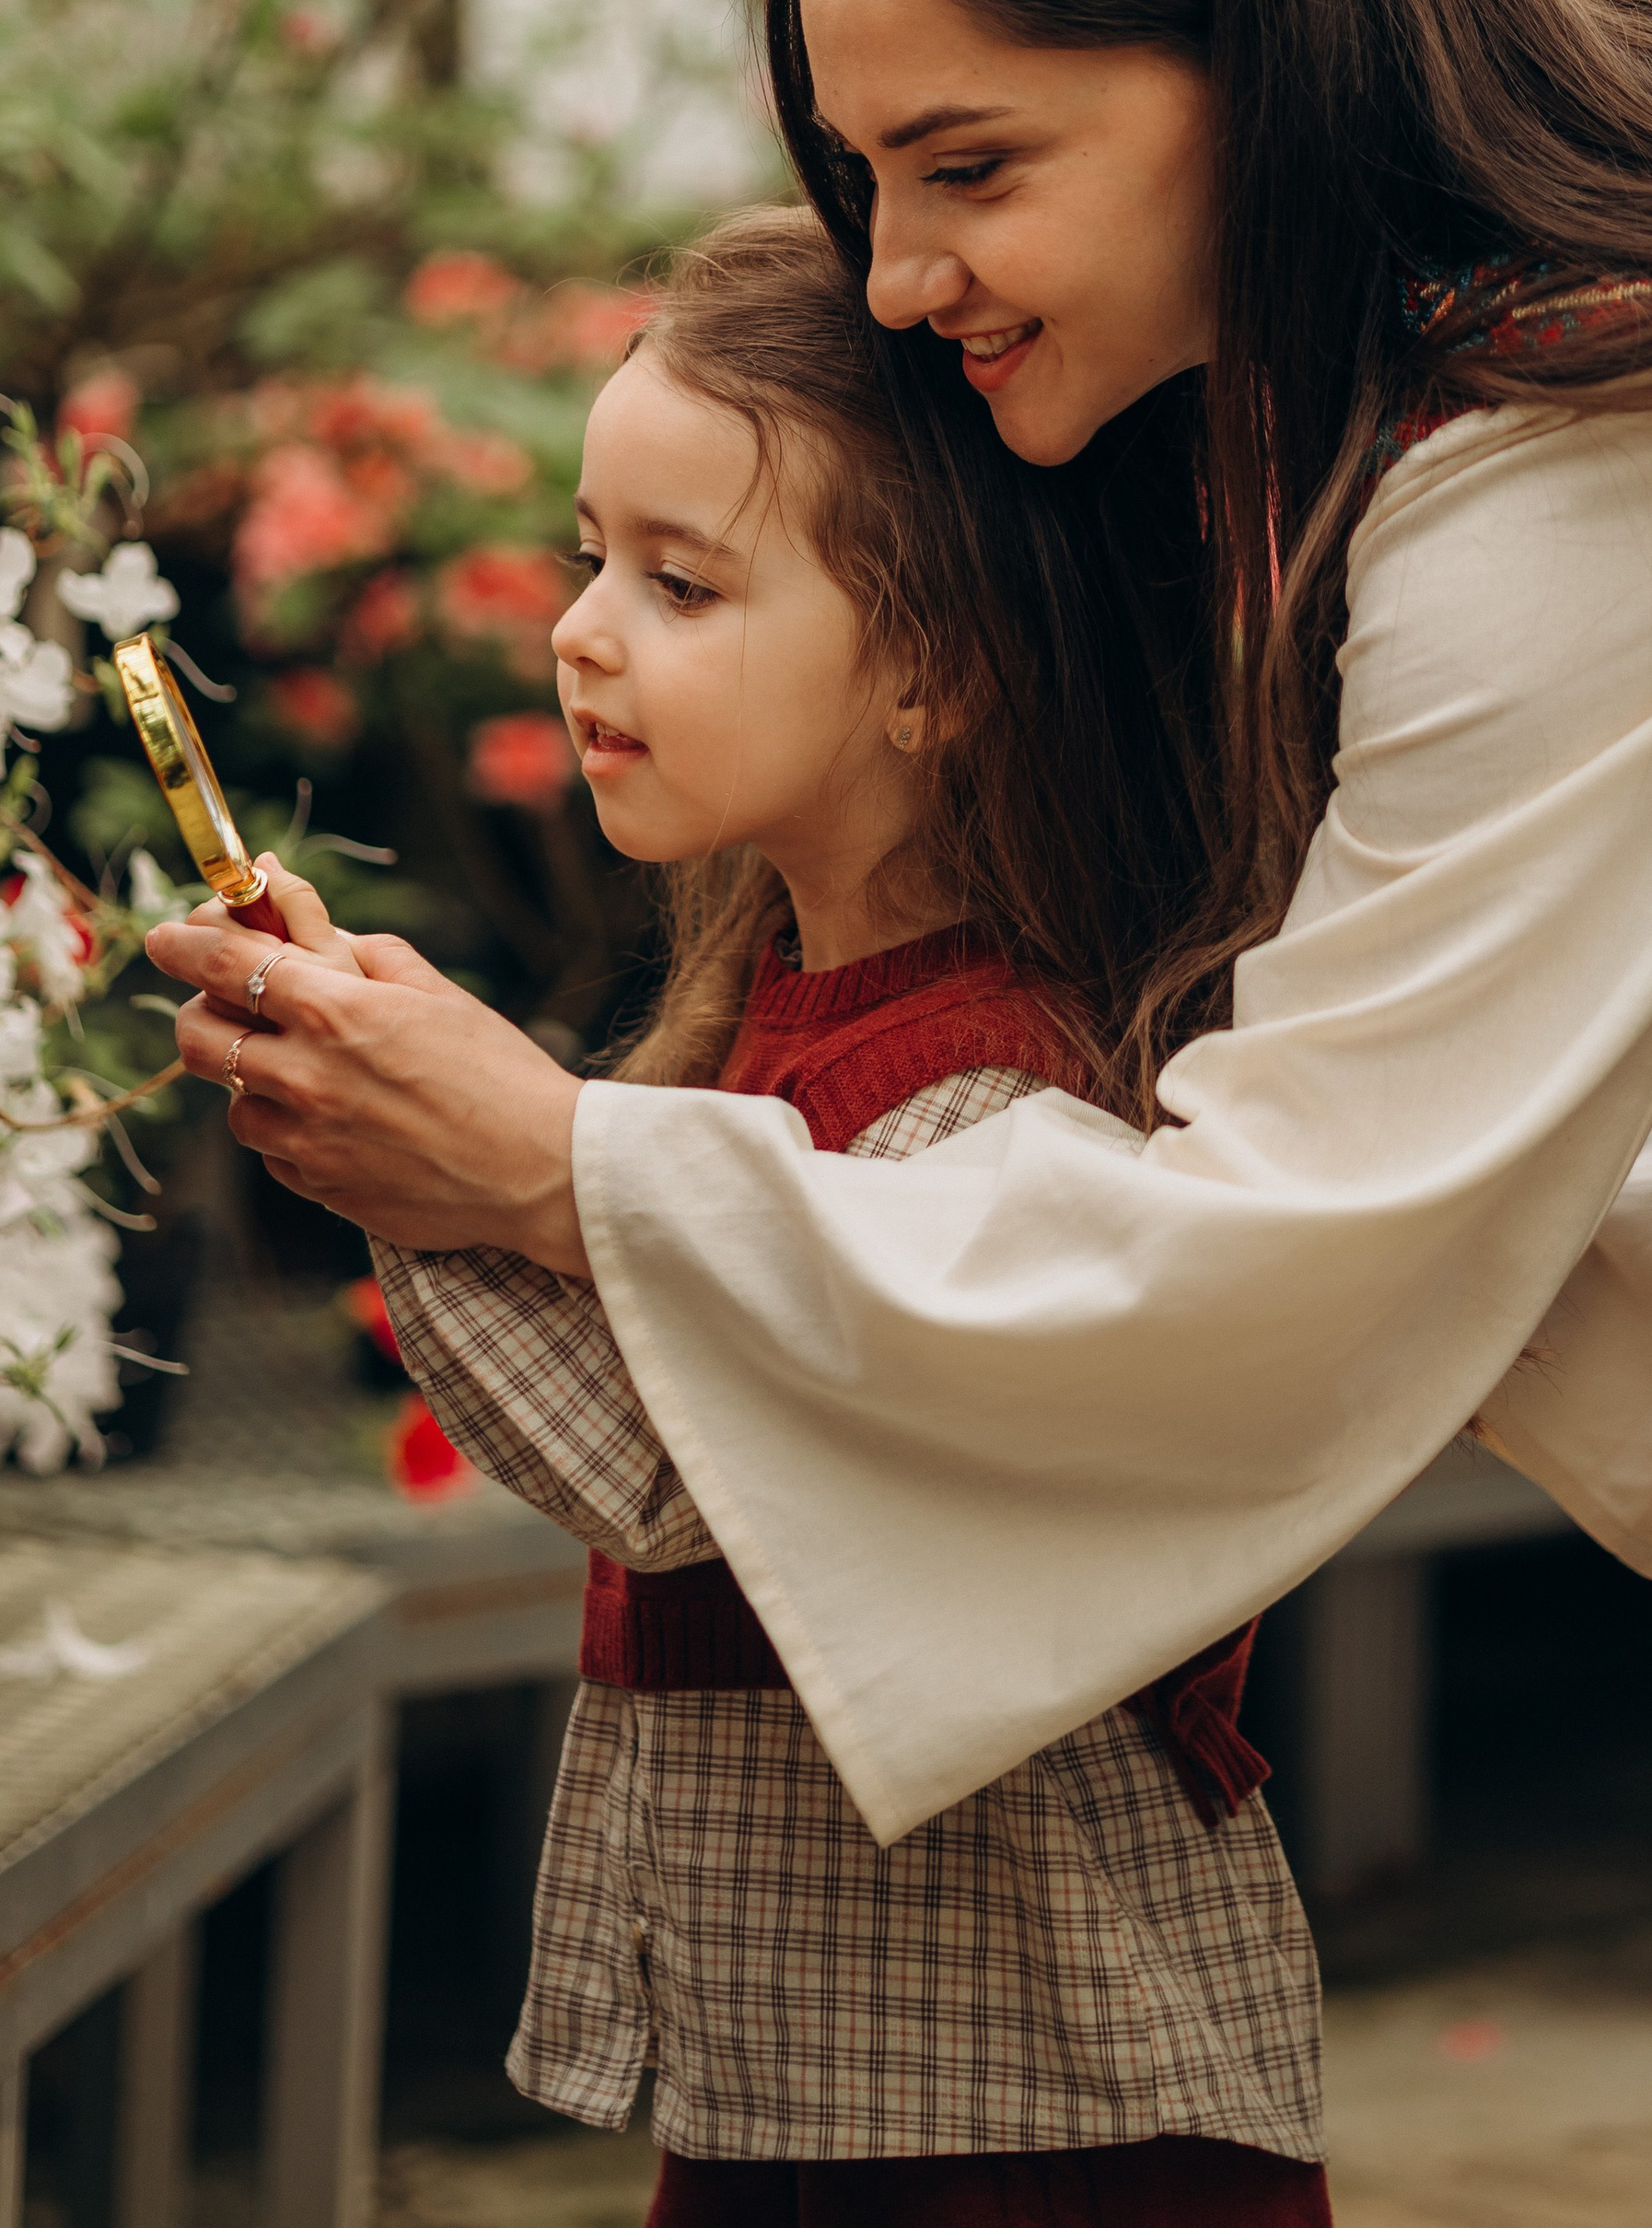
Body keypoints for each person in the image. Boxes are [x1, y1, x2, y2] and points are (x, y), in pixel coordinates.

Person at [150, 0, 1652, 2222]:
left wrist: (549, 1162)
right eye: (867, 181)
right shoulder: (1490, 210)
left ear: (1252, 62)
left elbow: (1300, 1241)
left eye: (971, 167)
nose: (895, 273)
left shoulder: (1606, 412)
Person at [237, 208, 1330, 2225]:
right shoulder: (766, 1017)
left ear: (932, 669)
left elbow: (704, 1466)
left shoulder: (1001, 1091)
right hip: (813, 2087)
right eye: (588, 554)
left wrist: (432, 1155)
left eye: (680, 582)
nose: (582, 630)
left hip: (1023, 2120)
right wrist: (418, 1127)